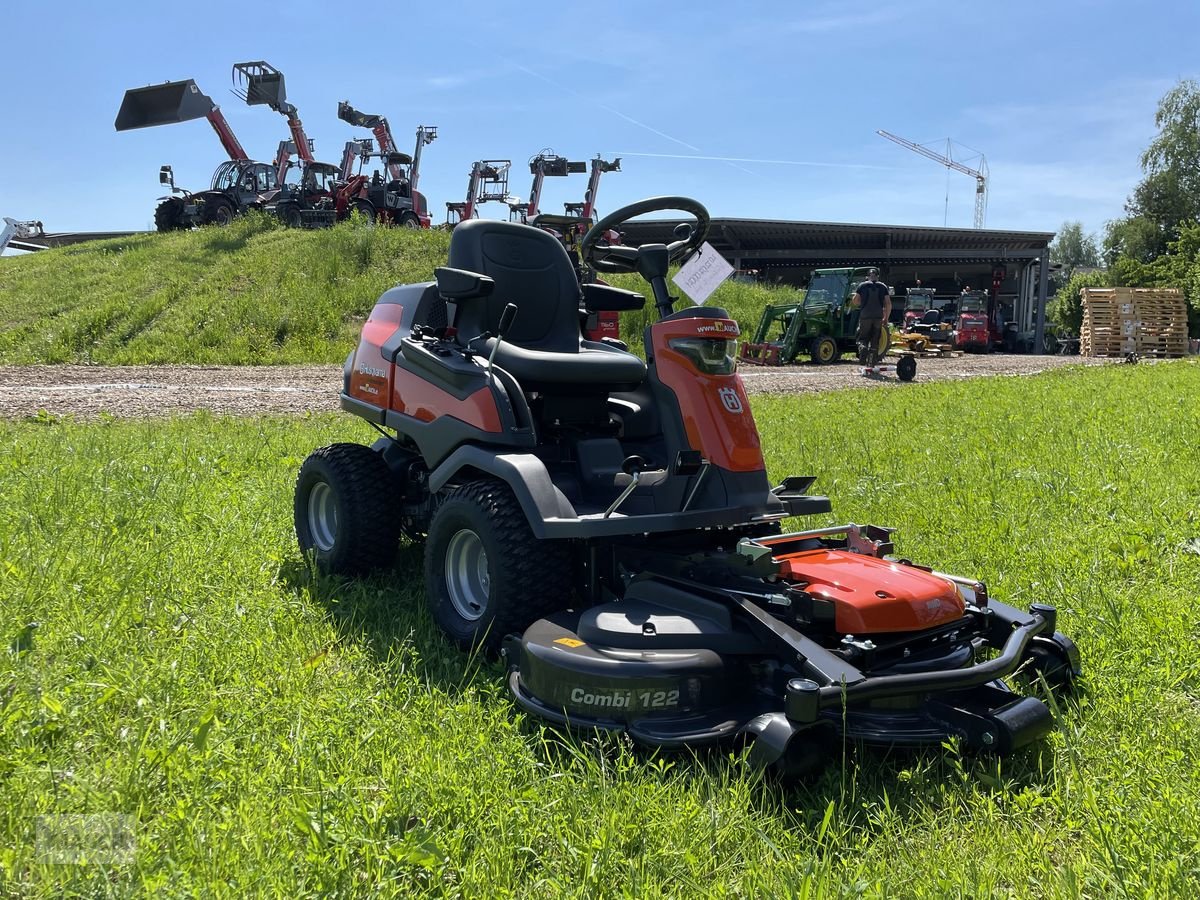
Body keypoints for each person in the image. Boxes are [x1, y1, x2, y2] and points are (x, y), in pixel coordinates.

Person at [852, 267, 892, 366]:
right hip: (878, 316)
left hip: (865, 316)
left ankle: (863, 349)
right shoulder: (883, 287)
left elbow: (855, 301)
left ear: (868, 276)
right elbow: (888, 304)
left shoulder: (862, 286)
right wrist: (886, 318)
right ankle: (872, 362)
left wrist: (862, 303)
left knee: (863, 337)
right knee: (875, 339)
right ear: (877, 276)